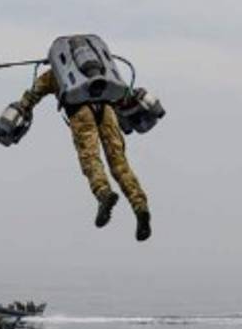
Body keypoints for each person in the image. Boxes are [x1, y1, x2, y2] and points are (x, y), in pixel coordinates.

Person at [9, 68, 152, 241]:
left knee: (90, 158)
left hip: (79, 110)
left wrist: (24, 107)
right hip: (106, 109)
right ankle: (141, 208)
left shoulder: (57, 70)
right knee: (120, 163)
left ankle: (103, 193)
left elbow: (34, 93)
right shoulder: (99, 64)